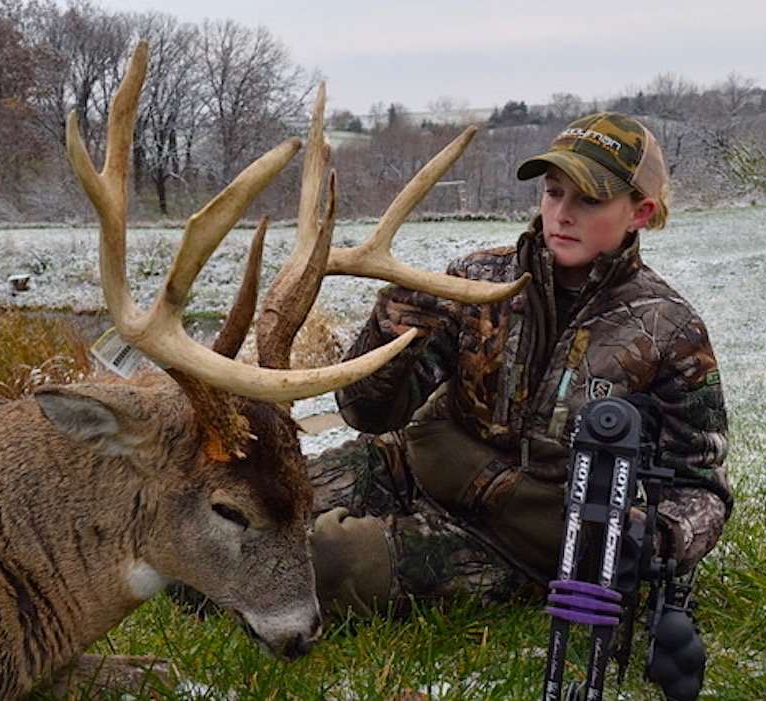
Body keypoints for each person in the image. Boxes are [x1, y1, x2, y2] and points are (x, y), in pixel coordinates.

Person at [308, 112, 731, 618]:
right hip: (418, 468)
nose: (562, 214)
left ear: (639, 212)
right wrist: (389, 327)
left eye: (589, 199)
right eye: (553, 193)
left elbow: (701, 486)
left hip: (512, 539)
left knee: (321, 564)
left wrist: (651, 542)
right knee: (246, 511)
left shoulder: (669, 330)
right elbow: (369, 415)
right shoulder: (474, 280)